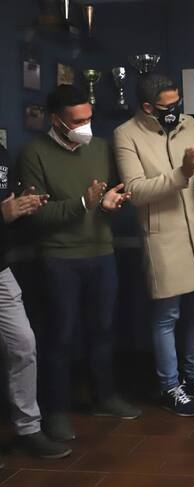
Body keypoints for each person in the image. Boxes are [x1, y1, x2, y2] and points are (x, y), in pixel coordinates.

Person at [18, 84, 140, 443]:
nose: (86, 125)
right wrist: (83, 204)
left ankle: (104, 397)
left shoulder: (99, 147)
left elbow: (111, 196)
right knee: (60, 336)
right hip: (58, 258)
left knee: (103, 330)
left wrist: (110, 203)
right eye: (77, 121)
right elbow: (35, 214)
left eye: (89, 118)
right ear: (55, 120)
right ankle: (55, 411)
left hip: (102, 253)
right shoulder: (34, 153)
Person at [114, 73, 194, 416]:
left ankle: (193, 376)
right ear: (147, 107)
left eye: (177, 103)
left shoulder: (187, 124)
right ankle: (169, 386)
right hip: (163, 237)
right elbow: (136, 191)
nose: (175, 111)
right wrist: (181, 173)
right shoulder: (126, 134)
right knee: (167, 316)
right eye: (167, 106)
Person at [0, 144, 71, 460]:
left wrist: (23, 207)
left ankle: (28, 429)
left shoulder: (2, 154)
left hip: (1, 269)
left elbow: (7, 211)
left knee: (23, 343)